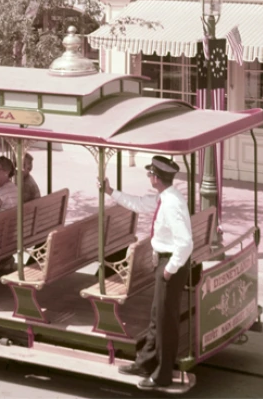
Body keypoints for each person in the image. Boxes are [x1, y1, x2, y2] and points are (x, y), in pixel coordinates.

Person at [103, 155, 193, 390]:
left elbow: (185, 243)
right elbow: (140, 204)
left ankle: (163, 374)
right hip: (166, 262)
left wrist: (169, 270)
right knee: (157, 316)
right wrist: (111, 191)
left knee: (165, 321)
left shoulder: (171, 204)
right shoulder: (165, 198)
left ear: (157, 178)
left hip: (171, 264)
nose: (148, 176)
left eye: (150, 173)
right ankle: (145, 362)